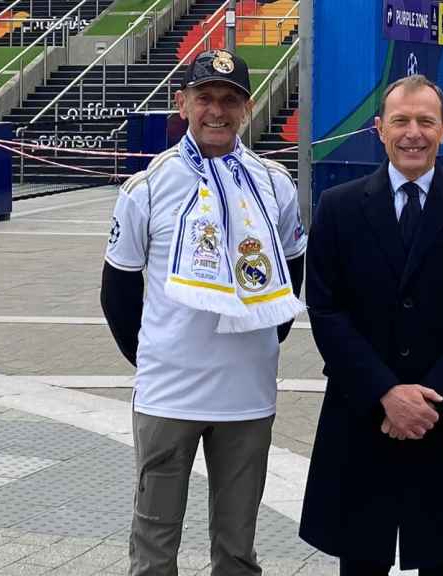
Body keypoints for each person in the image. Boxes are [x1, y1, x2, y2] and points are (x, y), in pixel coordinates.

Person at [100, 49, 307, 574]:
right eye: (205, 98)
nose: (217, 110)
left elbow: (294, 268)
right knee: (154, 544)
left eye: (229, 100)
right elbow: (117, 293)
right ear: (182, 103)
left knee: (238, 548)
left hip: (247, 396)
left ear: (247, 107)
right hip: (168, 394)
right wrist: (155, 356)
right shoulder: (149, 185)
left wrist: (264, 339)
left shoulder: (274, 183)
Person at [298, 74, 443, 575]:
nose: (412, 132)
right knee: (362, 559)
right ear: (378, 129)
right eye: (401, 120)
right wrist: (386, 393)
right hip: (363, 412)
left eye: (425, 121)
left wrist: (429, 397)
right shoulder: (339, 207)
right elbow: (326, 309)